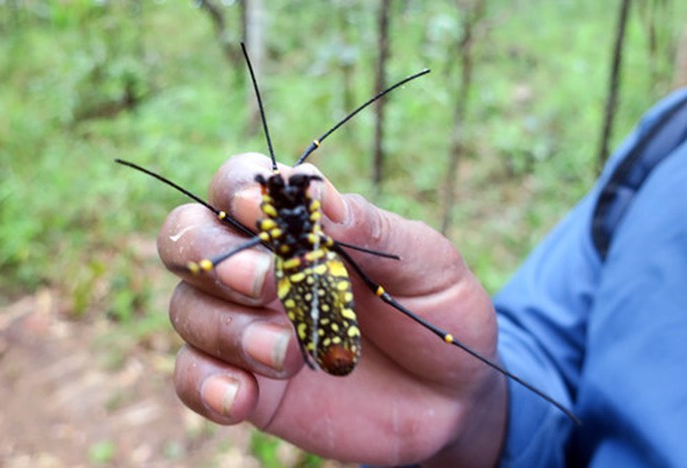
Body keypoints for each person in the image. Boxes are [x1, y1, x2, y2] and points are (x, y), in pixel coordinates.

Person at [157, 88, 687, 467]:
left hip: (312, 269)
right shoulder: (667, 147)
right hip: (307, 273)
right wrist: (475, 411)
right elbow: (549, 352)